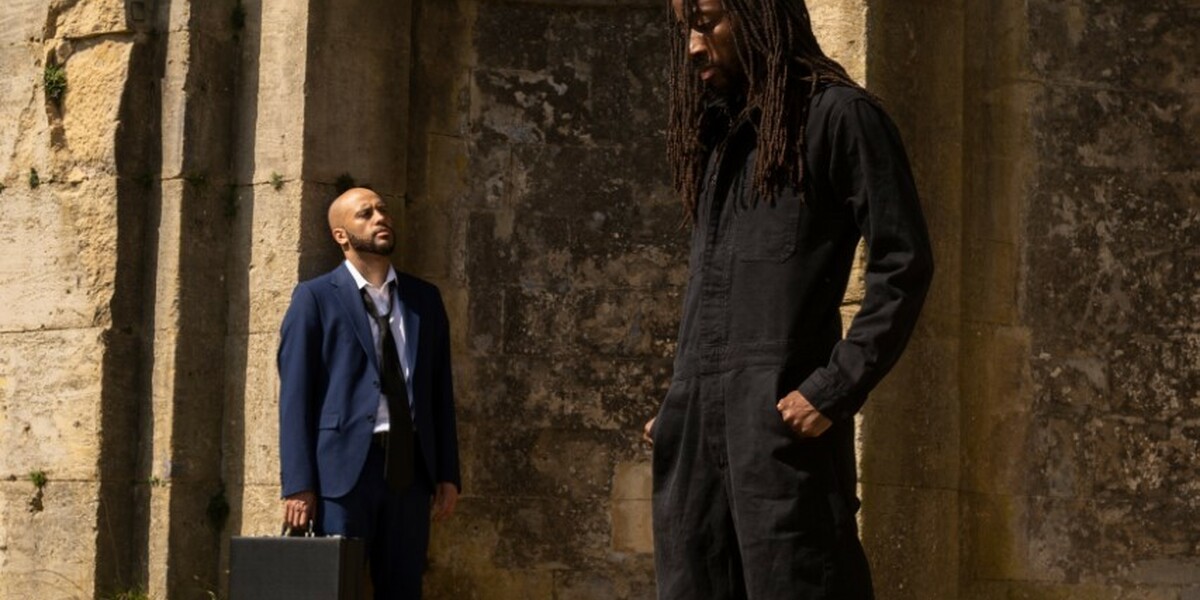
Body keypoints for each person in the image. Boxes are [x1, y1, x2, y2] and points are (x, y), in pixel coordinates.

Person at [642, 0, 934, 598]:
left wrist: (832, 389)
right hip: (698, 441)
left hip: (781, 440)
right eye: (685, 30)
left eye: (705, 20)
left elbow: (903, 264)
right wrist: (684, 402)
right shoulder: (720, 142)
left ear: (757, 13)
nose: (693, 46)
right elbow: (714, 297)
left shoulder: (841, 117)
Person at [278, 187, 461, 599]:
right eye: (365, 214)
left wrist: (447, 471)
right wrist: (298, 483)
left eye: (383, 210)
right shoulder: (315, 298)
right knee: (333, 588)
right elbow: (295, 397)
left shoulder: (424, 299)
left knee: (403, 588)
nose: (381, 218)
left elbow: (439, 393)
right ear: (341, 235)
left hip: (410, 470)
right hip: (341, 475)